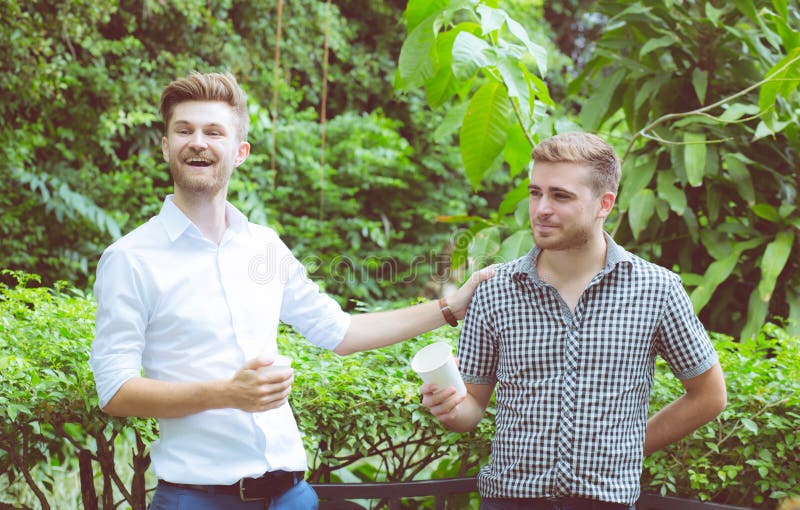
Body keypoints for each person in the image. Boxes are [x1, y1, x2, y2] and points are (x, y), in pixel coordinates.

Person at [89, 71, 493, 510]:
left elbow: (340, 331)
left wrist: (450, 307)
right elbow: (115, 390)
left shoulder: (264, 245)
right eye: (184, 130)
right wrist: (226, 392)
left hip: (292, 496)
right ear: (166, 146)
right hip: (195, 498)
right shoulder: (130, 258)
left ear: (239, 151)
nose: (198, 142)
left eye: (214, 132)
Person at [420, 132, 727, 510]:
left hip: (605, 502)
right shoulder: (494, 289)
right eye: (536, 193)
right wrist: (448, 406)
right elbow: (471, 411)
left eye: (560, 196)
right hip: (510, 500)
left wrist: (626, 447)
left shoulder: (657, 289)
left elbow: (710, 395)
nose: (541, 209)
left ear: (605, 204)